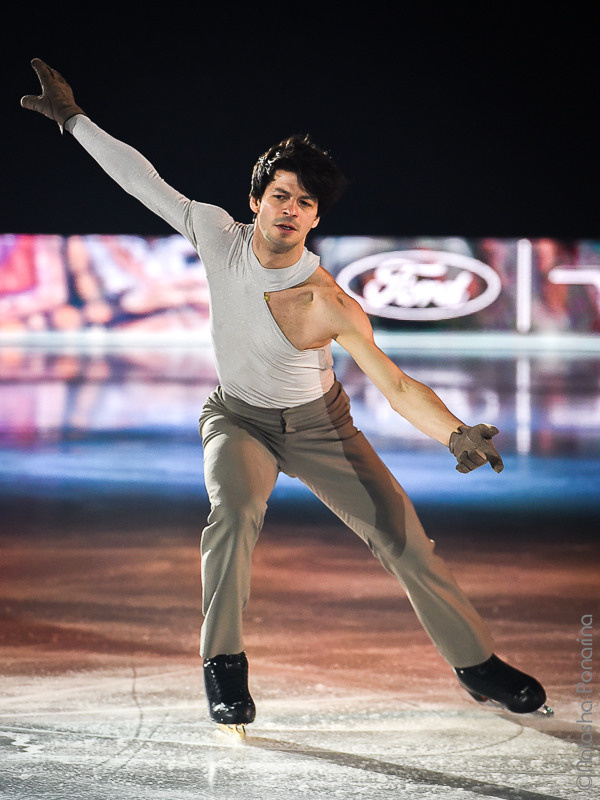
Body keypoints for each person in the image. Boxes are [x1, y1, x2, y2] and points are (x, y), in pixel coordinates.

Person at [21, 59, 550, 734]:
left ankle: (476, 665)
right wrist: (73, 121)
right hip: (237, 418)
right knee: (234, 511)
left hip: (320, 427)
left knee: (405, 539)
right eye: (280, 195)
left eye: (304, 202)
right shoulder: (217, 236)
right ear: (255, 201)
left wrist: (451, 432)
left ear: (316, 217)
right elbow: (142, 181)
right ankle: (223, 667)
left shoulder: (327, 302)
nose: (290, 210)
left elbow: (393, 382)